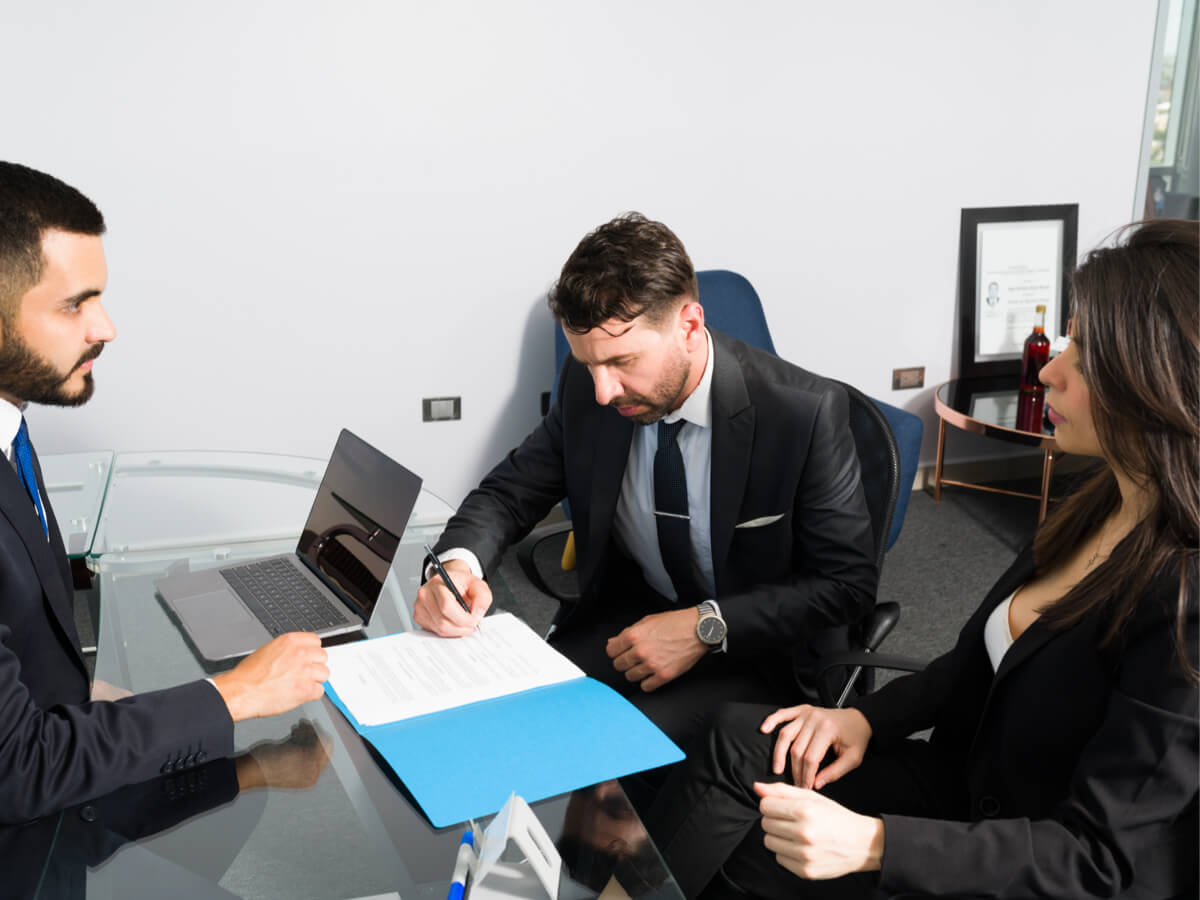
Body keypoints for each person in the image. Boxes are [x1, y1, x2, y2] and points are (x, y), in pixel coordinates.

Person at [646, 218, 1199, 899]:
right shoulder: (1102, 500)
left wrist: (876, 843)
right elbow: (977, 663)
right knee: (744, 736)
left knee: (766, 854)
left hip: (1030, 862)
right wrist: (863, 719)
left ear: (1156, 388)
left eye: (1081, 358)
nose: (1049, 371)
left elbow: (1098, 859)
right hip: (970, 788)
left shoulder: (1185, 599)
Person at [414, 212, 877, 754]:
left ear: (688, 325)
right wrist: (456, 567)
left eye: (622, 362)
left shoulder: (804, 414)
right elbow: (506, 493)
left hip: (754, 652)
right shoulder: (589, 389)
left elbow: (847, 584)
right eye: (589, 365)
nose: (604, 391)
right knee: (494, 722)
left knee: (601, 756)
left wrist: (707, 626)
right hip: (629, 619)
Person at [0, 161, 330, 824]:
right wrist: (236, 693)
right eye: (74, 304)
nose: (105, 327)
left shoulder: (12, 423)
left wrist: (107, 705)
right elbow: (18, 770)